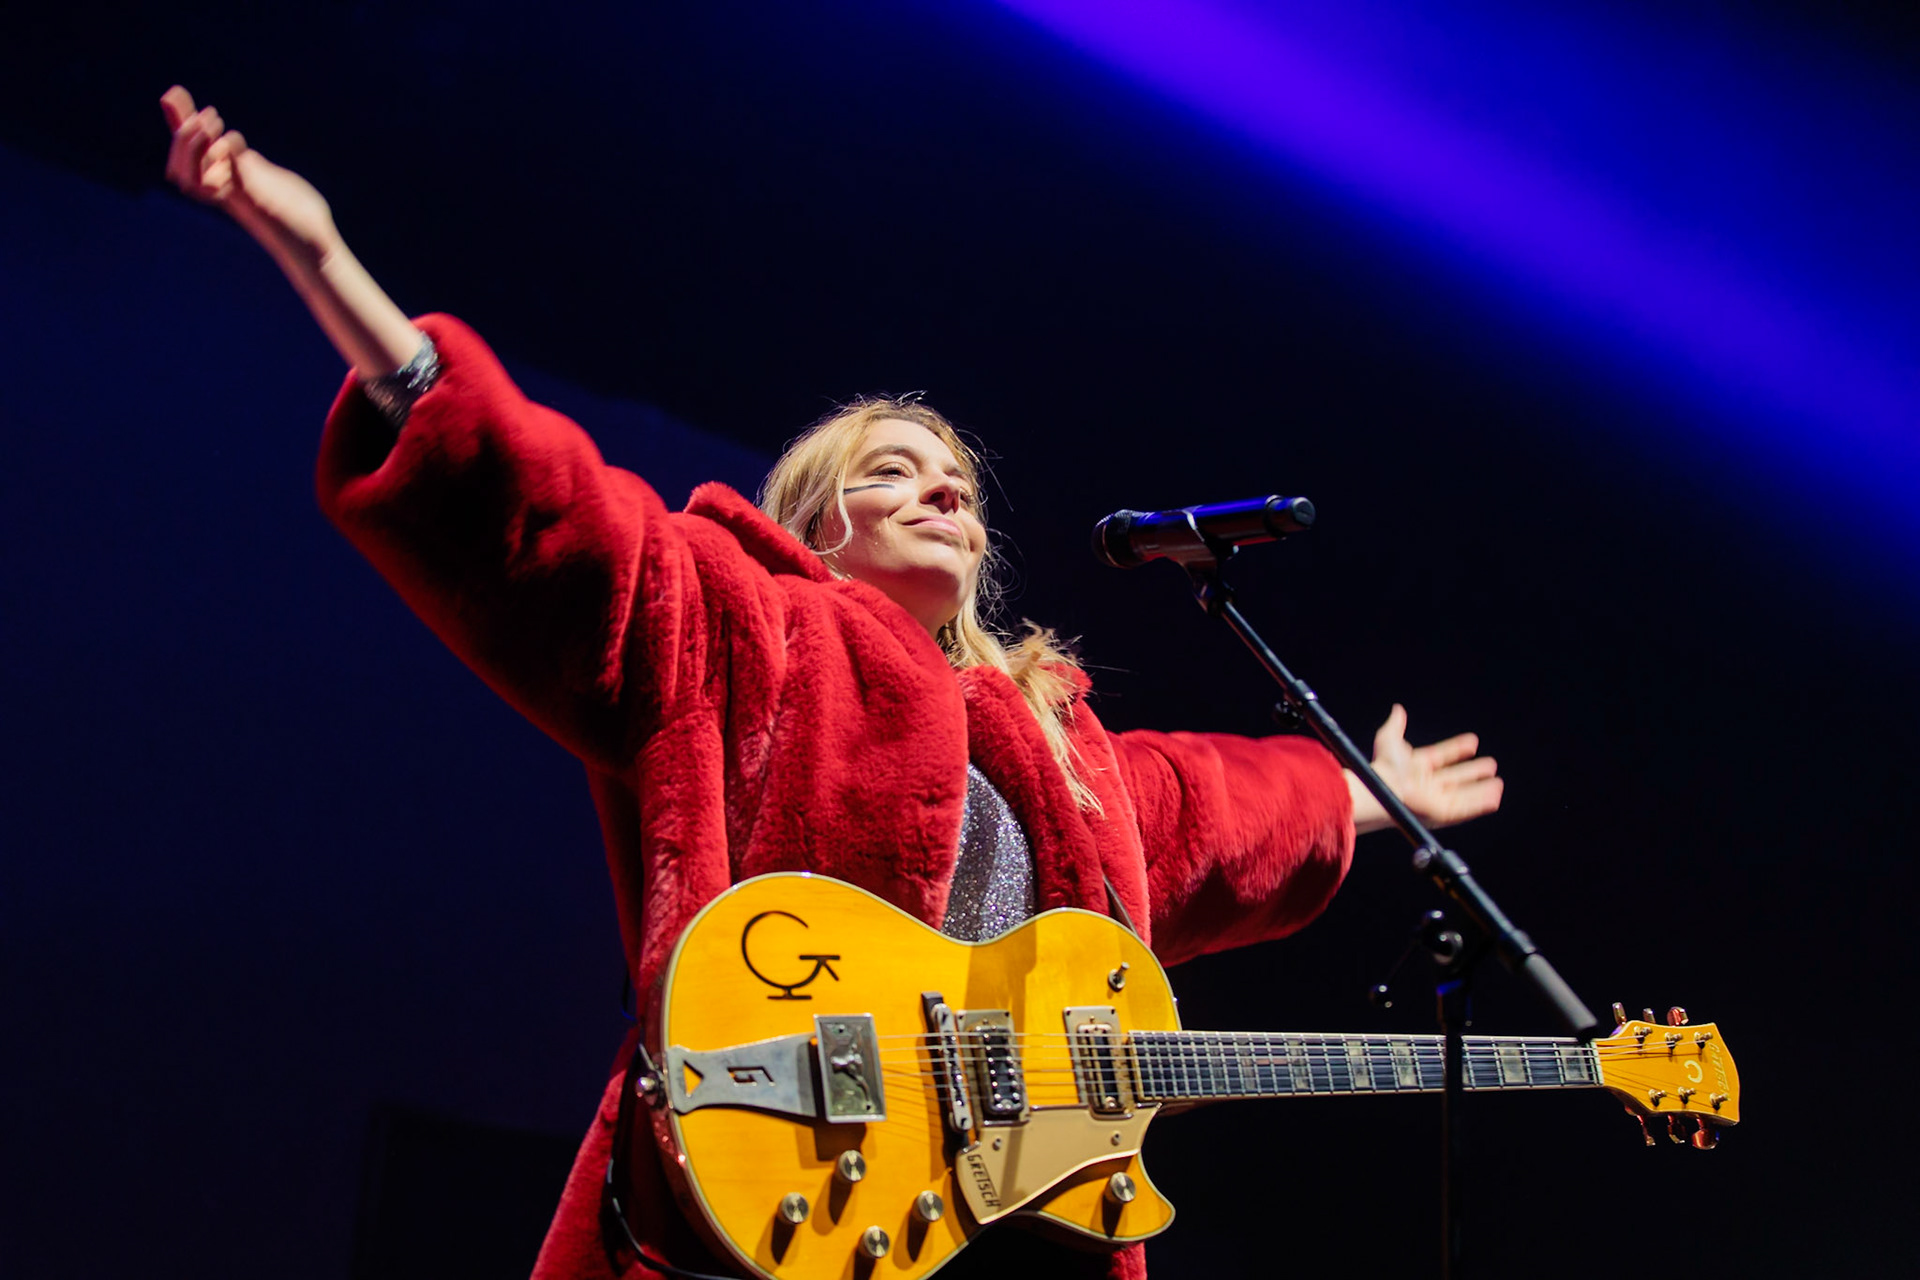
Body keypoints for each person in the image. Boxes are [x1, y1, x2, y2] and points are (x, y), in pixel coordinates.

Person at [160, 86, 1504, 1280]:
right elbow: (549, 524)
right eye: (894, 469)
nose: (942, 486)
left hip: (1003, 1238)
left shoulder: (1060, 743)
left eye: (959, 484)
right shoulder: (741, 625)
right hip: (774, 1211)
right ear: (817, 524)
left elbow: (1218, 811)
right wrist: (327, 259)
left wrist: (1367, 791)